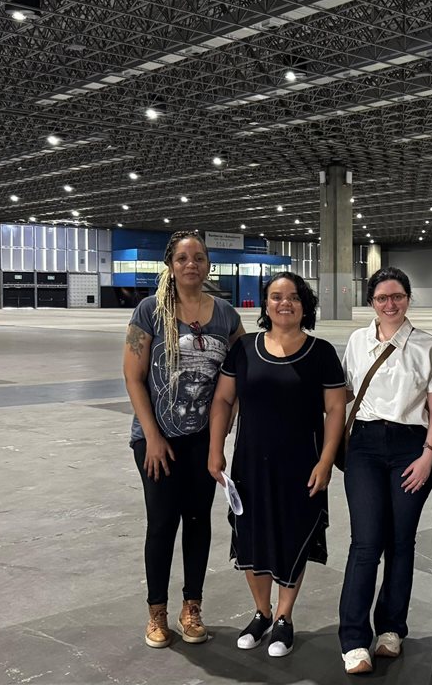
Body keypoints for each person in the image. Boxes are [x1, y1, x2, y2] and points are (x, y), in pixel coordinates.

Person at [207, 272, 347, 658]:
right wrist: (215, 449)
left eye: (294, 297)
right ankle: (262, 612)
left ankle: (284, 616)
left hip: (301, 465)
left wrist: (326, 459)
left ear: (305, 305)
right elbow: (222, 400)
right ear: (265, 304)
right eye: (276, 297)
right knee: (251, 537)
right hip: (250, 464)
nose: (285, 303)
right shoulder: (245, 348)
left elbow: (335, 409)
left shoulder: (321, 353)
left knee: (292, 538)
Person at [122, 230, 245, 649]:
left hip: (200, 442)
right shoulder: (149, 312)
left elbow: (239, 375)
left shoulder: (226, 315)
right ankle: (156, 612)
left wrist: (221, 437)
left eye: (199, 257)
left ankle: (191, 606)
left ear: (208, 264)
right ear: (170, 265)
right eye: (182, 258)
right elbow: (134, 377)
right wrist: (153, 437)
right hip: (157, 441)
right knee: (161, 524)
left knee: (197, 524)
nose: (191, 264)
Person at [338, 267, 432, 675]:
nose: (390, 304)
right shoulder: (357, 341)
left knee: (401, 542)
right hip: (365, 447)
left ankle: (391, 629)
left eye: (398, 296)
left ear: (408, 298)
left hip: (411, 448)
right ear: (371, 302)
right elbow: (347, 391)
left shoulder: (427, 346)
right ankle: (353, 638)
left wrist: (428, 456)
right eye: (382, 297)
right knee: (366, 542)